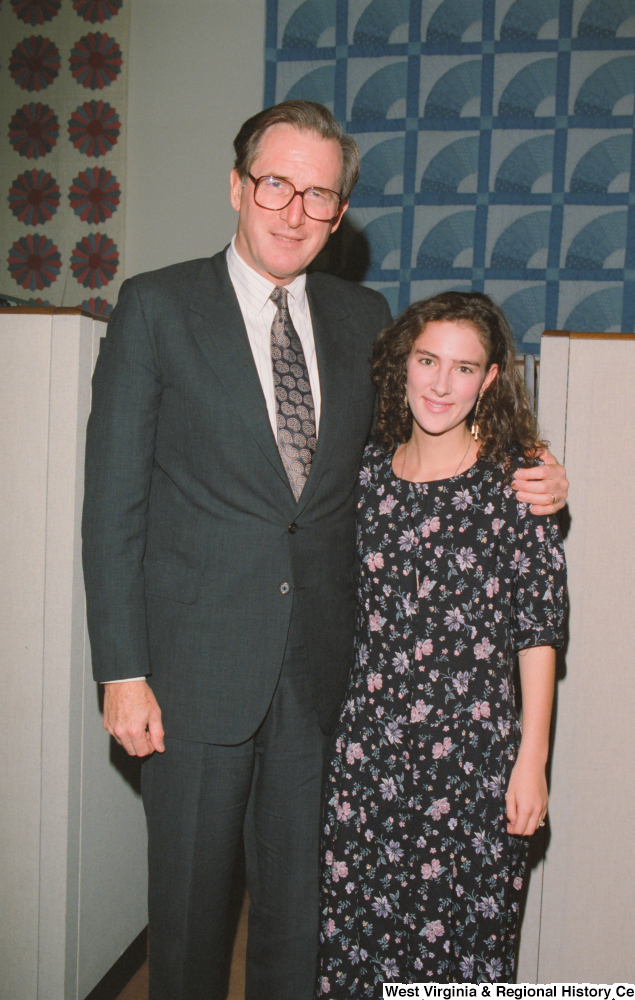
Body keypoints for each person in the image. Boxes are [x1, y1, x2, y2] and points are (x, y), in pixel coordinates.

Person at [82, 99, 568, 1000]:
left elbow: (422, 444)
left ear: (339, 213)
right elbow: (113, 505)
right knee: (187, 920)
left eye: (321, 195)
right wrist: (121, 668)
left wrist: (531, 468)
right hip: (189, 677)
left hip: (326, 681)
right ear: (236, 186)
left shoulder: (363, 317)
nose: (295, 211)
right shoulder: (155, 305)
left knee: (300, 920)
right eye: (276, 184)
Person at [316, 292, 567, 994]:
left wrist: (532, 762)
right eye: (427, 360)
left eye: (463, 368)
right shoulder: (362, 475)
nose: (440, 383)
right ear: (403, 364)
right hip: (366, 762)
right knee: (356, 948)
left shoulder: (515, 484)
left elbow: (537, 632)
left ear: (489, 380)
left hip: (471, 770)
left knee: (460, 960)